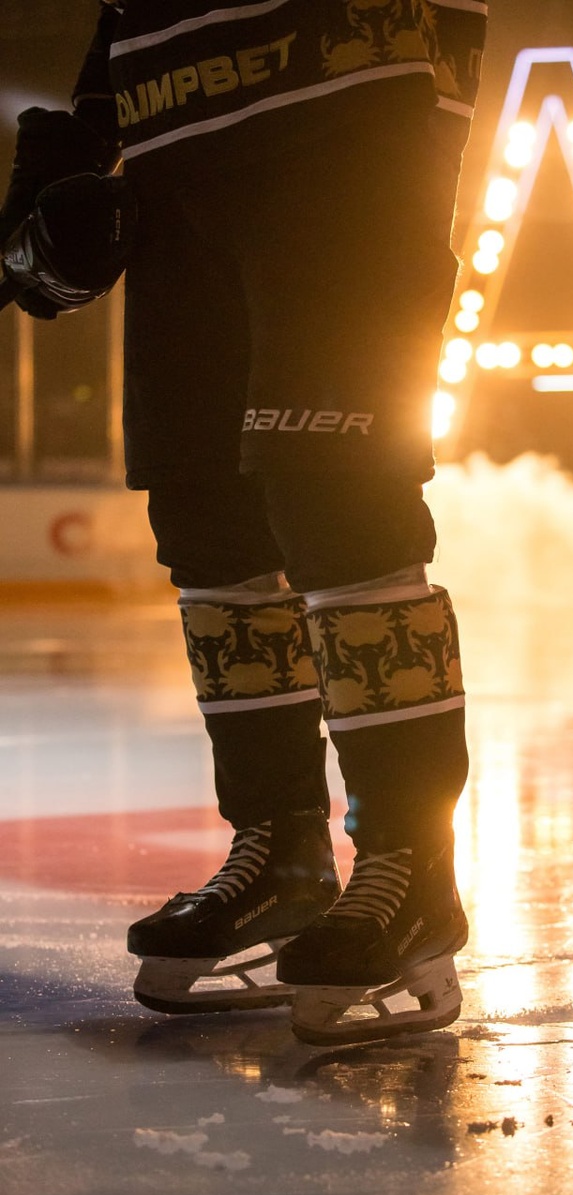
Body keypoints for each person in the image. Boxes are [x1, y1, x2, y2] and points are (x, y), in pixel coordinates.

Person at [0, 0, 488, 1045]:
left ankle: (410, 869)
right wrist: (83, 135)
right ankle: (281, 855)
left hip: (347, 115)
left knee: (337, 496)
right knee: (204, 517)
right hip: (173, 157)